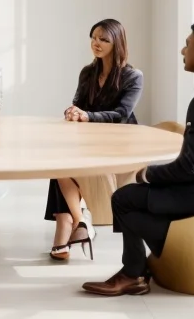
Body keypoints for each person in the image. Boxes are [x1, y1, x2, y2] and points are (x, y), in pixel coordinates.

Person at [82, 18, 194, 297]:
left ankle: (134, 273)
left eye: (188, 44)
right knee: (133, 196)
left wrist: (147, 173)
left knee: (123, 198)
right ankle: (137, 270)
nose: (182, 51)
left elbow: (191, 167)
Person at [46, 19, 143, 262]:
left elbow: (122, 113)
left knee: (66, 163)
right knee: (58, 158)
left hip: (119, 142)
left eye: (103, 39)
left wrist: (87, 116)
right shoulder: (88, 72)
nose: (96, 43)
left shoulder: (132, 76)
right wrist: (73, 111)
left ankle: (68, 225)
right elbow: (79, 102)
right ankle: (79, 222)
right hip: (89, 139)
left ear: (117, 43)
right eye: (94, 37)